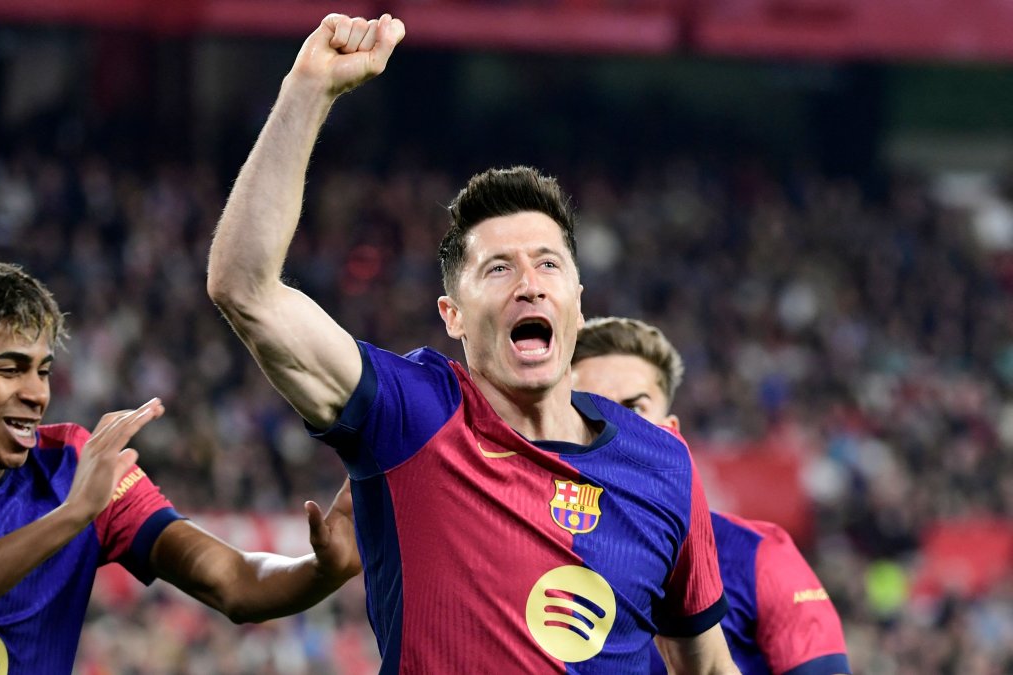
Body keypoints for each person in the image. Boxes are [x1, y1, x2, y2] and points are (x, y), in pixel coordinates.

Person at [206, 13, 738, 673]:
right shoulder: (410, 415)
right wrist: (308, 89)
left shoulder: (663, 465)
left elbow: (707, 666)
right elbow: (245, 288)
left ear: (578, 296)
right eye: (498, 268)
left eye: (548, 264)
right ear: (452, 315)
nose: (529, 284)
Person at [0, 259, 360, 674]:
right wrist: (70, 517)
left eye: (43, 371)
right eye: (11, 369)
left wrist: (319, 572)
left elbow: (235, 581)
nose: (36, 394)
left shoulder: (76, 462)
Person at [571, 316, 852, 675]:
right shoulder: (522, 551)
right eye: (592, 408)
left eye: (635, 409)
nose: (616, 428)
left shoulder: (757, 557)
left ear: (669, 432)